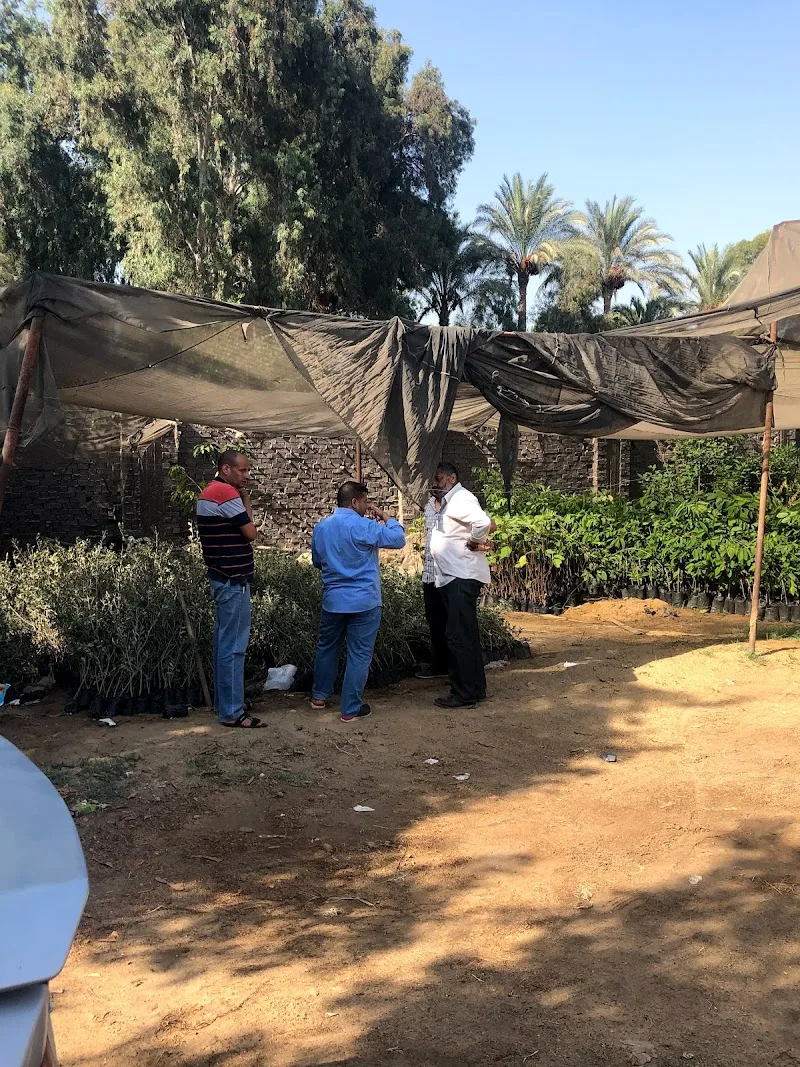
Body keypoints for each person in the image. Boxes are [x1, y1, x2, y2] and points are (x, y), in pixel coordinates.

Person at [310, 481, 406, 722]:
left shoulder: (321, 527)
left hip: (333, 601)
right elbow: (398, 539)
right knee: (359, 654)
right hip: (364, 602)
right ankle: (350, 709)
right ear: (354, 502)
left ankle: (319, 696)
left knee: (327, 647)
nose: (367, 507)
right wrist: (386, 517)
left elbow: (317, 562)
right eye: (365, 502)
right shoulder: (364, 526)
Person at [196, 450, 262, 729]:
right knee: (234, 646)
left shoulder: (209, 492)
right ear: (226, 469)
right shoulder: (225, 493)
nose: (247, 475)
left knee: (224, 644)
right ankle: (233, 712)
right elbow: (251, 533)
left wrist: (243, 497)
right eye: (242, 470)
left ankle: (225, 705)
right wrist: (244, 499)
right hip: (233, 580)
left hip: (221, 578)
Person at [429, 462, 496, 709]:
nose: (435, 483)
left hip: (461, 575)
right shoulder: (449, 501)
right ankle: (475, 689)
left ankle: (464, 693)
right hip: (454, 576)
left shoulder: (460, 499)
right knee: (465, 634)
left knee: (458, 636)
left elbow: (483, 522)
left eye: (438, 478)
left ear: (452, 478)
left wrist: (474, 542)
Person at [414, 482, 450, 681]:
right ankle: (440, 664)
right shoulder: (428, 505)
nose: (435, 486)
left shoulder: (455, 505)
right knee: (434, 621)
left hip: (449, 574)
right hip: (429, 573)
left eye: (440, 480)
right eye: (433, 482)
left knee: (451, 622)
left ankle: (456, 667)